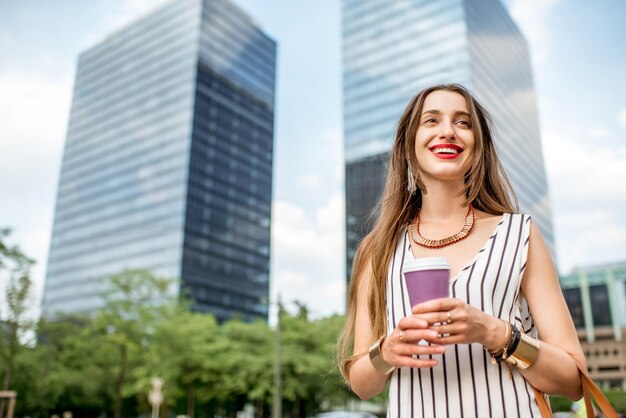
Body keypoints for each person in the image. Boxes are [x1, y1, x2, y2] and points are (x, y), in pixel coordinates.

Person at [337, 84, 586, 417]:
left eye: (463, 122)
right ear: (408, 147)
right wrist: (387, 351)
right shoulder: (376, 249)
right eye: (432, 120)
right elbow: (362, 385)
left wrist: (494, 332)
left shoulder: (520, 234)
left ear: (477, 147)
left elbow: (574, 381)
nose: (448, 131)